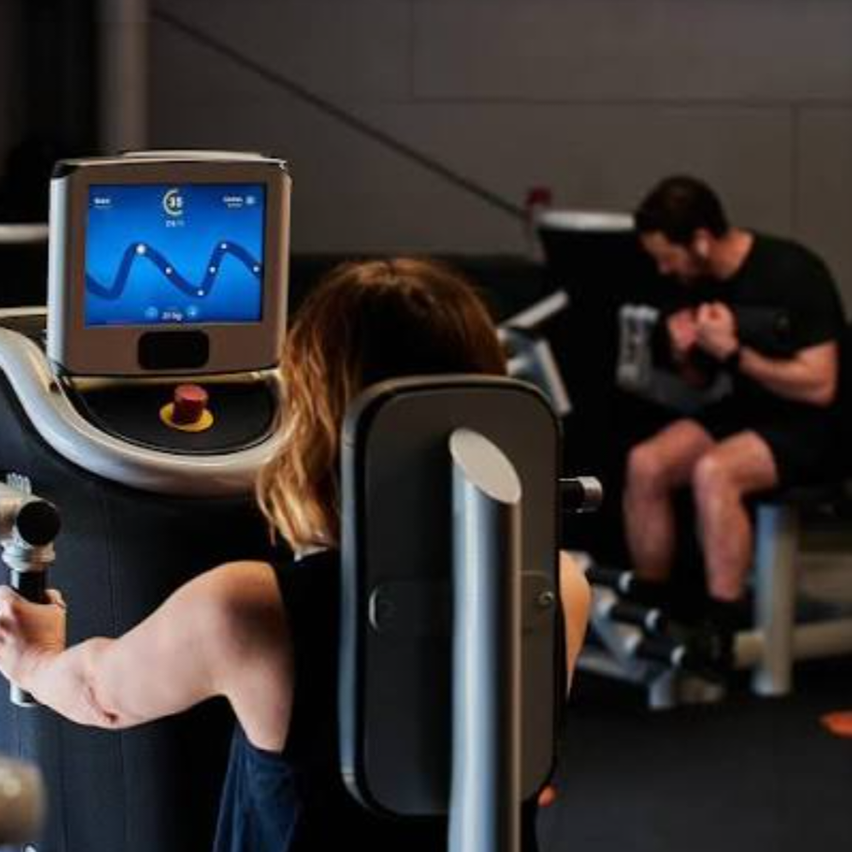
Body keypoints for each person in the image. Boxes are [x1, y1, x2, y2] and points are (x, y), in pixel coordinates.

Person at [0, 257, 591, 852]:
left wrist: (36, 658)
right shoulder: (559, 586)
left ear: (314, 415)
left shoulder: (247, 609)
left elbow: (101, 694)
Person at [623, 175, 845, 663]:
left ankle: (722, 629)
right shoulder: (694, 282)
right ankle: (653, 612)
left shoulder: (793, 272)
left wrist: (734, 352)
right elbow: (702, 383)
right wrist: (688, 355)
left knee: (714, 470)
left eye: (667, 255)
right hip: (752, 409)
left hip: (816, 423)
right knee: (647, 463)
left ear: (700, 241)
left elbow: (821, 385)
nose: (663, 269)